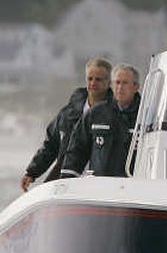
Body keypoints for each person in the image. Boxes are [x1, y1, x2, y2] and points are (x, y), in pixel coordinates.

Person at [20, 58, 113, 191]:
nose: (93, 83)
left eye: (98, 79)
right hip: (65, 173)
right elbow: (51, 145)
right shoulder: (68, 113)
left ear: (108, 82)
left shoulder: (116, 114)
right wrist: (32, 172)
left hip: (100, 181)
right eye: (90, 78)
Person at [60, 63, 141, 178]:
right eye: (117, 82)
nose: (120, 87)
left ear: (136, 86)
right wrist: (67, 178)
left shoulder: (147, 115)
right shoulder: (96, 113)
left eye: (125, 83)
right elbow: (78, 149)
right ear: (111, 85)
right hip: (100, 186)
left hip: (133, 186)